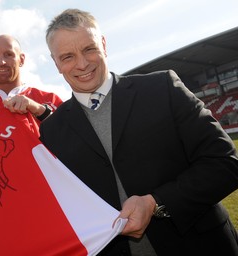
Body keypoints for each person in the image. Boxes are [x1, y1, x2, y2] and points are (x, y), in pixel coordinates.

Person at [40, 8, 238, 256]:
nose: (82, 64)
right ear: (56, 63)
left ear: (103, 44)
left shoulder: (163, 87)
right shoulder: (51, 131)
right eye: (67, 56)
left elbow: (226, 163)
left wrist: (155, 202)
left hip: (201, 248)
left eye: (89, 48)